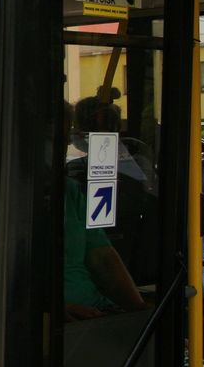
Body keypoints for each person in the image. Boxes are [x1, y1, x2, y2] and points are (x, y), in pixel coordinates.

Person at [62, 102, 146, 320]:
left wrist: (140, 313)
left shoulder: (69, 189)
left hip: (98, 310)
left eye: (66, 133)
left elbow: (102, 256)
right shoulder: (4, 199)